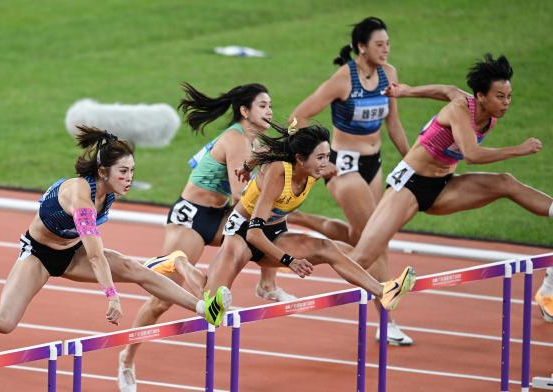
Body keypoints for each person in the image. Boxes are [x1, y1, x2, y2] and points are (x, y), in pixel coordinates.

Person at [0, 125, 231, 335]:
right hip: (40, 255)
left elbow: (94, 252)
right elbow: (96, 256)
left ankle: (205, 309)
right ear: (102, 172)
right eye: (123, 171)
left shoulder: (106, 192)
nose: (128, 178)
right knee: (2, 323)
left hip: (73, 253)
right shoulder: (80, 198)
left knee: (136, 270)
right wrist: (111, 296)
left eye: (132, 171)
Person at [117, 83, 295, 392]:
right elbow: (242, 193)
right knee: (161, 300)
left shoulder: (256, 139)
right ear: (245, 111)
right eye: (263, 105)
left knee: (269, 220)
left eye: (270, 105)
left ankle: (267, 284)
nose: (270, 111)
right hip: (192, 218)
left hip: (219, 213)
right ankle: (126, 359)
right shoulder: (236, 140)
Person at [348, 53, 553, 313]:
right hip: (409, 184)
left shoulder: (484, 113)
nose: (506, 103)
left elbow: (444, 89)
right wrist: (518, 149)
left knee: (505, 182)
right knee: (363, 257)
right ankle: (299, 263)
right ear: (480, 96)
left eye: (509, 96)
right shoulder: (460, 109)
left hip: (444, 186)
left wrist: (407, 91)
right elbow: (472, 155)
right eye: (500, 96)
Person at [281, 16, 416, 345]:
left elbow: (393, 124)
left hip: (374, 163)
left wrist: (415, 161)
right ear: (361, 47)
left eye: (388, 44)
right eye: (379, 44)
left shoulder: (389, 74)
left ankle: (298, 219)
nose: (386, 49)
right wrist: (318, 158)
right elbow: (299, 117)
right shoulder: (344, 79)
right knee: (377, 235)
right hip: (344, 167)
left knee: (361, 237)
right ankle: (387, 319)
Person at [202, 119, 415, 322]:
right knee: (212, 308)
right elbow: (253, 234)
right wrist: (289, 261)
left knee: (326, 247)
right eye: (320, 157)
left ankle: (383, 291)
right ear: (300, 159)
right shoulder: (278, 172)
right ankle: (179, 263)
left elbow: (268, 150)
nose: (326, 163)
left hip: (275, 232)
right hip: (242, 232)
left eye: (327, 156)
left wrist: (247, 166)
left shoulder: (312, 172)